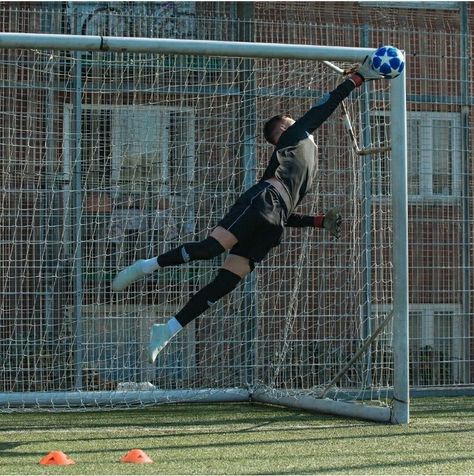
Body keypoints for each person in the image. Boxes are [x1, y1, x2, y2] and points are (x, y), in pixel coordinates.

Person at [112, 57, 383, 364]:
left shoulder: (297, 155)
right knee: (210, 249)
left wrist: (317, 221)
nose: (299, 120)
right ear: (283, 128)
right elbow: (327, 105)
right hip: (261, 201)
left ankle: (167, 330)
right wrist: (358, 78)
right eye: (292, 120)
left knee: (227, 282)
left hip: (275, 218)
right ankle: (144, 267)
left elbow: (285, 212)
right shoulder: (294, 137)